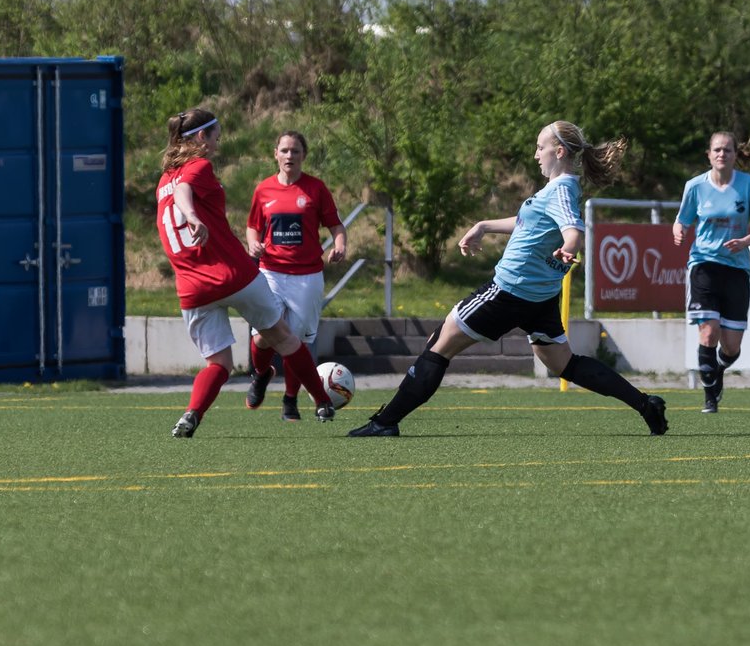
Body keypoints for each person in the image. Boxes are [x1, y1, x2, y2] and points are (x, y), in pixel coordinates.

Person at [348, 120, 668, 437]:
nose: (535, 154)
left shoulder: (560, 190)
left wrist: (569, 247)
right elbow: (529, 222)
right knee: (563, 364)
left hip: (509, 291)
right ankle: (645, 405)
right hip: (540, 298)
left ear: (558, 151)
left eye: (540, 147)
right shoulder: (562, 187)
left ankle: (385, 422)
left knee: (438, 346)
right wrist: (484, 225)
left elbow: (573, 229)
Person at [156, 108, 337, 438]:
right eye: (216, 136)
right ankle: (323, 402)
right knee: (282, 336)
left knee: (219, 364)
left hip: (192, 287)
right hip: (232, 274)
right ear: (201, 138)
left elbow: (178, 191)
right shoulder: (198, 166)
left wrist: (194, 216)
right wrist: (194, 217)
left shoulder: (164, 179)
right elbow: (185, 193)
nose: (218, 142)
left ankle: (192, 414)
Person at [244, 130, 347, 421]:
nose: (290, 156)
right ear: (275, 154)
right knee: (264, 335)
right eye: (285, 150)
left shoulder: (315, 189)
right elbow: (253, 226)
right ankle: (261, 375)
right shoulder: (263, 190)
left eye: (296, 151)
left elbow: (336, 226)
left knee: (295, 342)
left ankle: (290, 400)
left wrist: (340, 245)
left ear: (304, 155)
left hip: (307, 277)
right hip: (270, 273)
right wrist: (253, 242)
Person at [672, 131, 750, 413]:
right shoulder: (695, 186)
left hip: (737, 269)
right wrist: (679, 231)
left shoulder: (749, 186)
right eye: (717, 150)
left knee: (731, 346)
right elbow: (681, 220)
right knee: (708, 331)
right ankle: (709, 395)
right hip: (703, 264)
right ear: (708, 154)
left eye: (727, 150)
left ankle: (717, 370)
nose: (721, 154)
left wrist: (745, 241)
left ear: (734, 155)